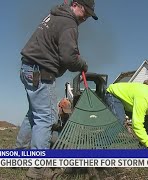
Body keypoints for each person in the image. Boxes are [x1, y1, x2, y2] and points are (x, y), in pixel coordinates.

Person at [15, 0, 98, 178]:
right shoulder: (69, 23)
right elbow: (69, 58)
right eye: (86, 12)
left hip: (28, 68)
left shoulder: (55, 15)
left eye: (90, 15)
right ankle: (38, 169)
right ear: (76, 4)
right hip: (40, 71)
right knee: (45, 119)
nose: (86, 18)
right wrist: (82, 63)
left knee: (33, 114)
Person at [105, 82, 148, 149]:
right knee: (120, 120)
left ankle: (143, 148)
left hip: (130, 103)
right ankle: (102, 144)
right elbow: (137, 125)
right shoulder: (144, 99)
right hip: (115, 95)